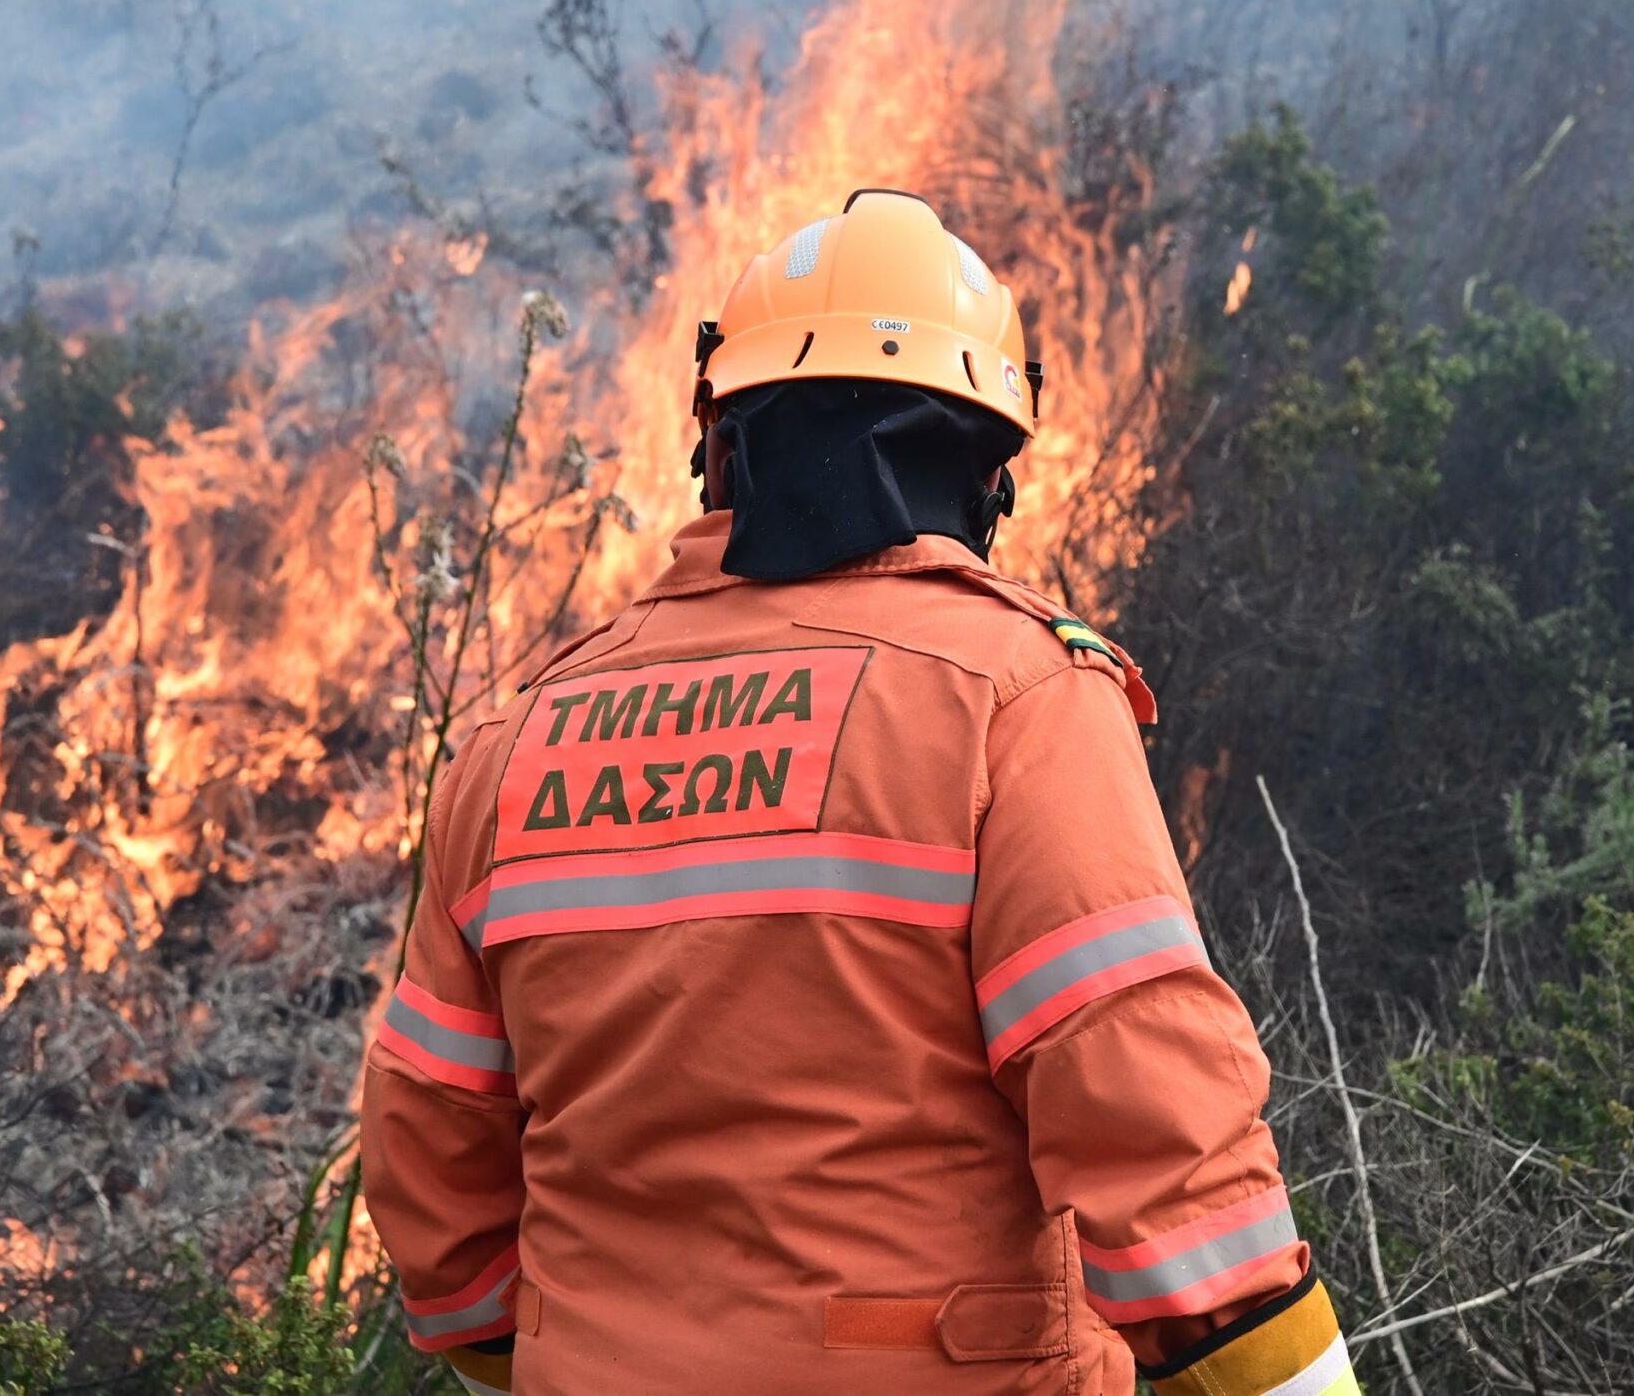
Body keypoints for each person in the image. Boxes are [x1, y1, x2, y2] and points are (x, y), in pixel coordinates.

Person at [362, 190, 1355, 1396]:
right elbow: (1149, 1112)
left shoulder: (516, 734)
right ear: (985, 469)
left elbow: (434, 1168)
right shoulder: (1010, 693)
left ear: (718, 446)